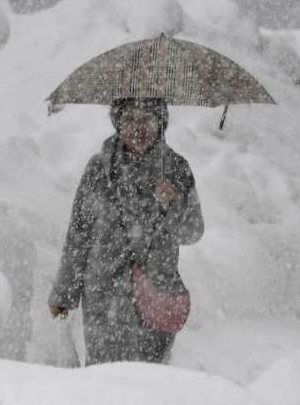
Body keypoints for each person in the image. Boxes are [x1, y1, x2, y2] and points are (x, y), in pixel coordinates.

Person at [48, 97, 204, 365]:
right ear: (117, 122)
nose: (137, 128)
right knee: (104, 381)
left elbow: (193, 231)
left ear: (161, 122)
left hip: (155, 293)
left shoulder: (177, 168)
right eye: (129, 119)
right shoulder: (98, 169)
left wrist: (173, 204)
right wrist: (65, 293)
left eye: (146, 119)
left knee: (150, 384)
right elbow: (79, 234)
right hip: (103, 296)